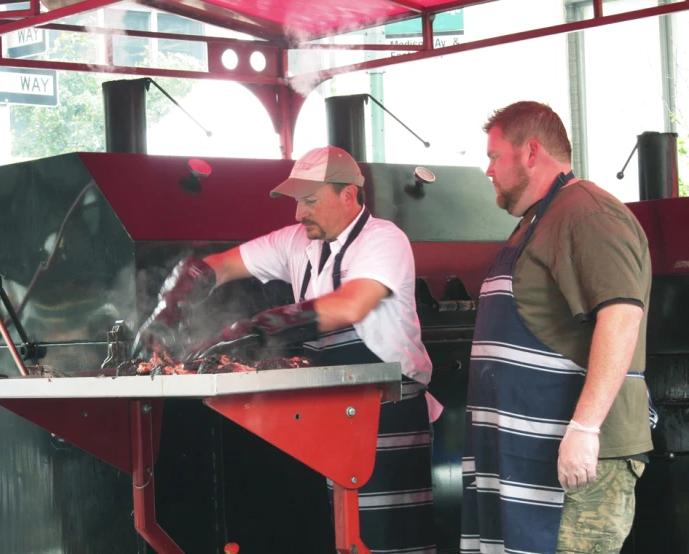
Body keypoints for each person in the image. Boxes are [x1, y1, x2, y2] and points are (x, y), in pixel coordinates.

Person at [135, 145, 439, 554]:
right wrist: (170, 305)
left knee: (388, 539)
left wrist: (255, 328)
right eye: (298, 202)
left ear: (348, 194)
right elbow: (221, 265)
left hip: (387, 408)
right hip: (329, 410)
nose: (299, 214)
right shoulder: (298, 242)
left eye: (310, 201)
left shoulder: (384, 240)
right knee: (337, 536)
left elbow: (349, 305)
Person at [461, 101, 653, 554]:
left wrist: (585, 430)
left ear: (531, 153)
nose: (487, 170)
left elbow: (622, 316)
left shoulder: (589, 214)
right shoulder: (538, 220)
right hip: (525, 457)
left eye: (494, 156)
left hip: (579, 462)